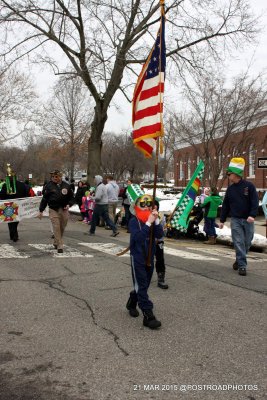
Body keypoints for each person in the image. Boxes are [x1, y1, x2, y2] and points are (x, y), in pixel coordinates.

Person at [126, 184, 163, 329]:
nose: (146, 207)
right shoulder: (134, 222)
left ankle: (132, 301)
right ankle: (148, 315)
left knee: (145, 284)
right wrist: (148, 223)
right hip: (138, 258)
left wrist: (157, 220)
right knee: (142, 284)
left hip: (150, 256)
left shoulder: (152, 220)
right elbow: (139, 239)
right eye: (143, 205)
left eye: (149, 205)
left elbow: (160, 235)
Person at [219, 158, 259, 276]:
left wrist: (252, 215)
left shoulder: (249, 186)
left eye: (229, 173)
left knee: (247, 242)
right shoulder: (230, 189)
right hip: (235, 220)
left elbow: (255, 201)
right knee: (238, 242)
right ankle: (242, 266)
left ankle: (239, 259)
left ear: (235, 173)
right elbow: (225, 205)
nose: (228, 175)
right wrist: (222, 220)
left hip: (248, 220)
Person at [38, 169, 75, 253]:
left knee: (62, 226)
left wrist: (69, 204)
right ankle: (60, 245)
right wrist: (41, 210)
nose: (54, 178)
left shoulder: (66, 186)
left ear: (60, 177)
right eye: (53, 176)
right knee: (56, 226)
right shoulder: (48, 186)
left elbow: (72, 198)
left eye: (56, 176)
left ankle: (56, 241)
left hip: (64, 209)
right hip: (53, 209)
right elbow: (44, 199)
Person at [0, 164, 29, 242]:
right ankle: (14, 234)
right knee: (15, 220)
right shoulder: (7, 185)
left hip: (12, 205)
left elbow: (2, 196)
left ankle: (13, 234)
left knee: (11, 220)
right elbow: (26, 194)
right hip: (15, 205)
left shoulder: (7, 185)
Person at [154, 199, 168, 289]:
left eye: (155, 206)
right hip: (148, 241)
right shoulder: (145, 215)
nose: (154, 208)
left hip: (159, 241)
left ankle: (161, 278)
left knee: (160, 259)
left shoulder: (161, 216)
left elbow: (164, 232)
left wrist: (163, 230)